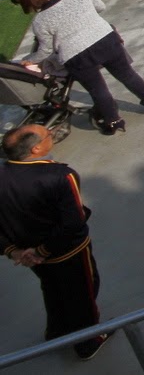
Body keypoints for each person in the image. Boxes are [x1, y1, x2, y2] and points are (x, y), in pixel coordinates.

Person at [0, 125, 111, 359]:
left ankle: (57, 331)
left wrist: (14, 252)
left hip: (28, 254)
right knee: (82, 292)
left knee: (52, 288)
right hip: (68, 252)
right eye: (48, 133)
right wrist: (43, 250)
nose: (52, 132)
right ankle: (88, 341)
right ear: (36, 148)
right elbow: (73, 223)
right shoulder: (60, 176)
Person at [11, 0, 144, 135]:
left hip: (77, 57)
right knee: (127, 74)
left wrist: (30, 59)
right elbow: (100, 7)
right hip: (106, 41)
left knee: (98, 89)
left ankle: (114, 121)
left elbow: (46, 50)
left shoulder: (40, 21)